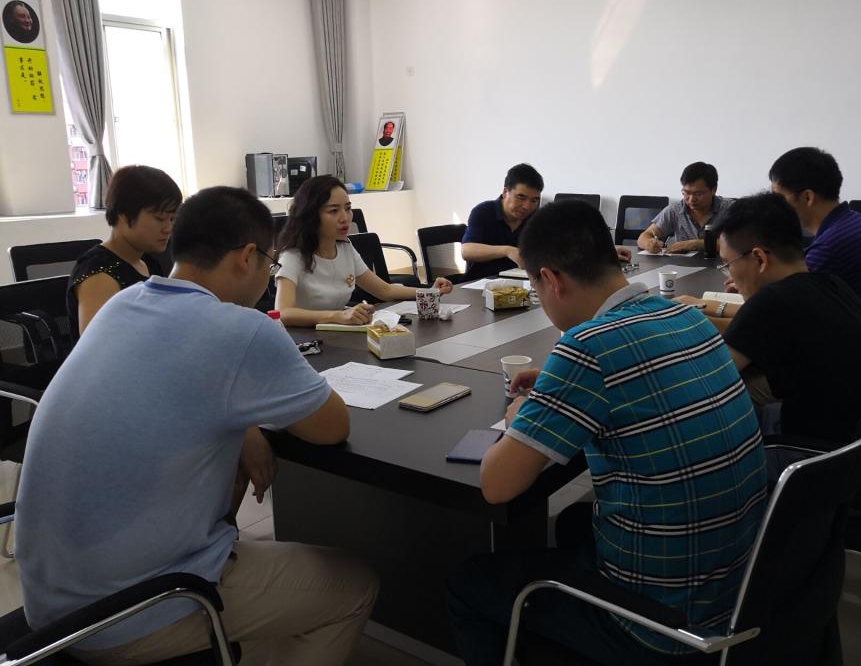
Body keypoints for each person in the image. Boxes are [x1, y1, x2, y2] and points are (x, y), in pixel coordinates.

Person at [16, 186, 378, 665]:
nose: (268, 277)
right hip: (129, 610)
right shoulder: (243, 328)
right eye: (269, 265)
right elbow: (331, 426)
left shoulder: (122, 304)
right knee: (353, 586)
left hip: (47, 599)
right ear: (247, 257)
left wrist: (244, 426)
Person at [447, 200, 767, 665]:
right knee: (572, 523)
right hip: (736, 586)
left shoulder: (587, 346)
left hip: (661, 622)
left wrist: (523, 415)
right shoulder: (685, 316)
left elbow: (497, 485)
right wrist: (560, 386)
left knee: (470, 582)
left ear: (551, 280)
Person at [676, 192, 861, 459]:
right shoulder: (829, 283)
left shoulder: (773, 301)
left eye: (728, 264)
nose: (728, 273)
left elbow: (708, 379)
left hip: (837, 462)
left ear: (759, 258)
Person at [275, 175, 451, 327]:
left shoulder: (345, 248)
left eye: (348, 208)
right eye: (334, 211)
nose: (345, 218)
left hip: (338, 333)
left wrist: (430, 291)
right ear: (311, 216)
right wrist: (338, 316)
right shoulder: (293, 255)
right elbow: (282, 312)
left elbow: (384, 290)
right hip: (304, 341)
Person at [768, 146, 861, 334]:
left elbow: (778, 309)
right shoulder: (856, 220)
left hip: (856, 347)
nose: (775, 206)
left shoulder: (832, 245)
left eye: (778, 198)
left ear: (807, 197)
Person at [67, 165, 182, 335]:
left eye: (172, 219)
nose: (168, 229)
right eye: (160, 219)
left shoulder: (147, 262)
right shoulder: (100, 275)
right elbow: (98, 345)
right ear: (124, 214)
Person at [460, 163, 545, 279]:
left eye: (534, 200)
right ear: (505, 192)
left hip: (519, 282)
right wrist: (507, 251)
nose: (527, 206)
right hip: (480, 282)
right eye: (521, 197)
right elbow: (467, 251)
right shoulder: (483, 211)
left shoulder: (535, 217)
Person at [637, 161, 733, 253]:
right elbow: (643, 237)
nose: (691, 199)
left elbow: (738, 244)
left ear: (714, 190)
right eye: (686, 193)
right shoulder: (675, 210)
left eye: (698, 194)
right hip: (683, 264)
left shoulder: (730, 209)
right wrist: (649, 243)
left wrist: (695, 244)